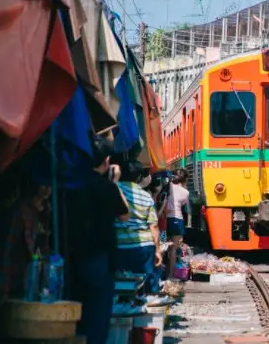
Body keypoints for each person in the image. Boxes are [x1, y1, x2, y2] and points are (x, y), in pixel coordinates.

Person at [67, 135, 130, 344]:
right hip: (100, 259)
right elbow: (125, 214)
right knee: (98, 319)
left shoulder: (73, 183)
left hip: (73, 256)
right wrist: (114, 183)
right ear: (105, 161)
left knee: (76, 317)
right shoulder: (106, 187)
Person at [115, 160, 162, 293]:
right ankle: (146, 309)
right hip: (144, 246)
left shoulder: (115, 189)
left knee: (122, 284)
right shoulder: (146, 196)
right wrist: (157, 250)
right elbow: (153, 226)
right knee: (146, 285)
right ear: (139, 177)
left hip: (121, 246)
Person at [166, 169, 190, 279]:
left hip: (166, 218)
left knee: (164, 246)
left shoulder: (169, 186)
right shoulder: (185, 192)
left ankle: (163, 273)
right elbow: (183, 203)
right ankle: (171, 274)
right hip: (178, 219)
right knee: (174, 248)